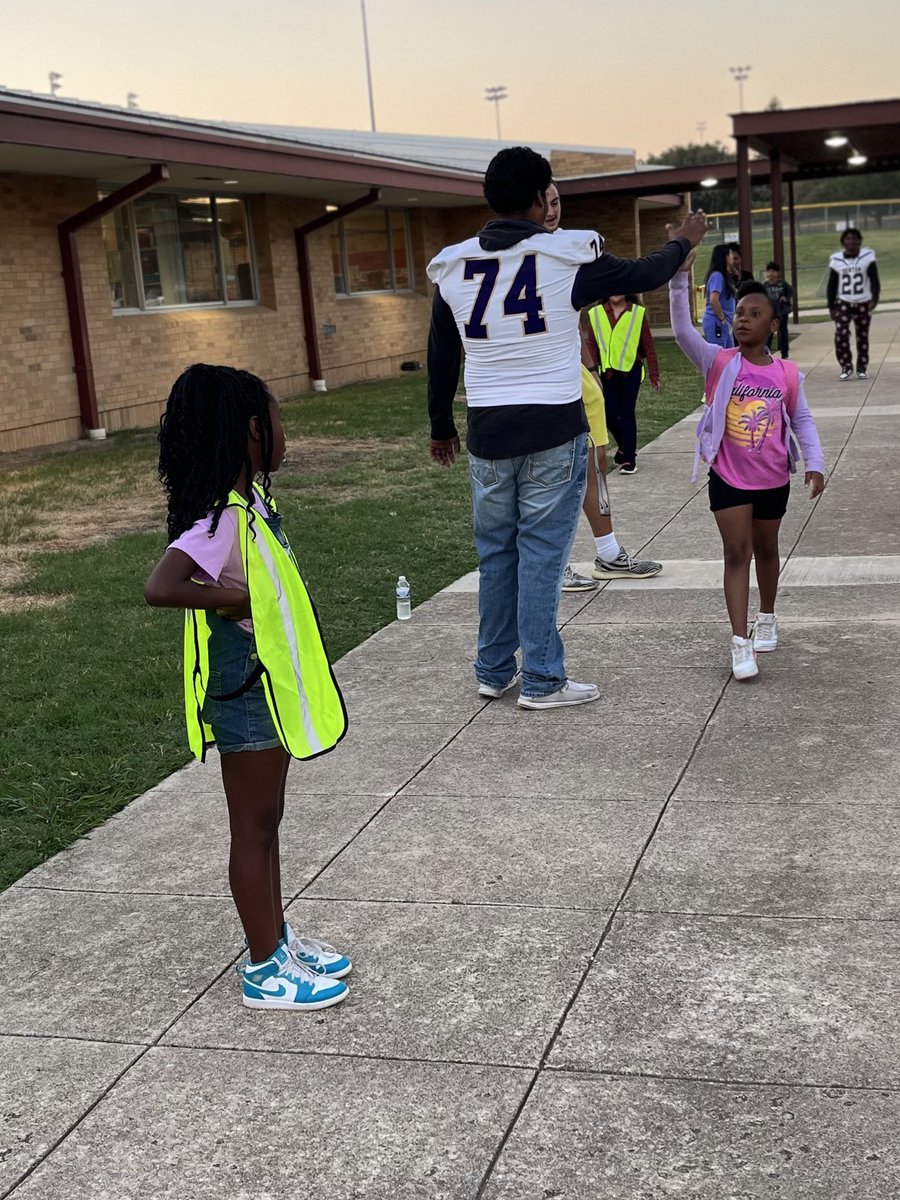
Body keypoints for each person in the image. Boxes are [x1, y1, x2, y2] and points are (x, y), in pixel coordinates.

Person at [427, 147, 707, 709]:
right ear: (539, 198)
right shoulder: (566, 258)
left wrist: (440, 424)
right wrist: (685, 241)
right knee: (540, 558)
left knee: (497, 556)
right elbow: (648, 271)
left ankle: (493, 668)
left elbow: (440, 352)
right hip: (552, 429)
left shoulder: (453, 266)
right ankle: (543, 680)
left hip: (487, 432)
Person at [144, 364, 352, 1011]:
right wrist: (231, 594)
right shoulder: (219, 519)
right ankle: (265, 970)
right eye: (279, 420)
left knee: (269, 823)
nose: (286, 433)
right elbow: (162, 584)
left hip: (266, 690)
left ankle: (278, 939)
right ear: (249, 432)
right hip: (245, 695)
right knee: (252, 828)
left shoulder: (250, 505)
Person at [669, 257, 826, 681]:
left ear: (773, 326)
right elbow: (683, 332)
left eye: (755, 314)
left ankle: (768, 616)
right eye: (740, 312)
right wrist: (680, 278)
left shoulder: (786, 373)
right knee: (736, 554)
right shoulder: (719, 363)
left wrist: (815, 462)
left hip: (773, 478)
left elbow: (802, 420)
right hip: (729, 478)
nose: (743, 319)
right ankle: (740, 643)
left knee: (767, 551)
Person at [543, 183, 662, 590]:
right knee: (551, 477)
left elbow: (571, 321)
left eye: (556, 201)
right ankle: (552, 567)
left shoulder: (570, 252)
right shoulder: (525, 256)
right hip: (544, 385)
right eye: (542, 201)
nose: (550, 209)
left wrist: (590, 367)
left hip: (581, 380)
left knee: (593, 468)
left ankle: (609, 553)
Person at [585, 292, 661, 475]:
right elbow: (592, 345)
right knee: (609, 415)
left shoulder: (637, 313)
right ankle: (624, 446)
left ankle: (629, 459)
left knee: (627, 414)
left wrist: (654, 374)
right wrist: (593, 370)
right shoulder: (596, 313)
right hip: (607, 373)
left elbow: (647, 345)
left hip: (630, 371)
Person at [827, 227, 880, 380]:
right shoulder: (837, 259)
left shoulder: (867, 257)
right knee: (841, 334)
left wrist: (875, 298)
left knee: (862, 336)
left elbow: (874, 279)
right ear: (843, 242)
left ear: (859, 241)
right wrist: (831, 306)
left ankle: (862, 366)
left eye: (854, 239)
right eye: (848, 239)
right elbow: (832, 284)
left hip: (863, 302)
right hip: (843, 302)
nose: (851, 242)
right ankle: (846, 365)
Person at [702, 244, 737, 347]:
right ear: (725, 257)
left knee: (730, 355)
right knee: (719, 355)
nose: (733, 257)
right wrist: (722, 319)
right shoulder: (717, 276)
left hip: (726, 323)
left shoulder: (725, 276)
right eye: (730, 254)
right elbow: (714, 300)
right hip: (717, 322)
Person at [763, 262, 793, 359]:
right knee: (769, 333)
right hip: (770, 313)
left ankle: (785, 353)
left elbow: (791, 291)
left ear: (778, 273)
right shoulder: (765, 285)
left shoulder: (782, 284)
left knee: (783, 332)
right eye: (769, 271)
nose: (771, 273)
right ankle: (766, 352)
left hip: (781, 312)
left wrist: (786, 297)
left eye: (773, 271)